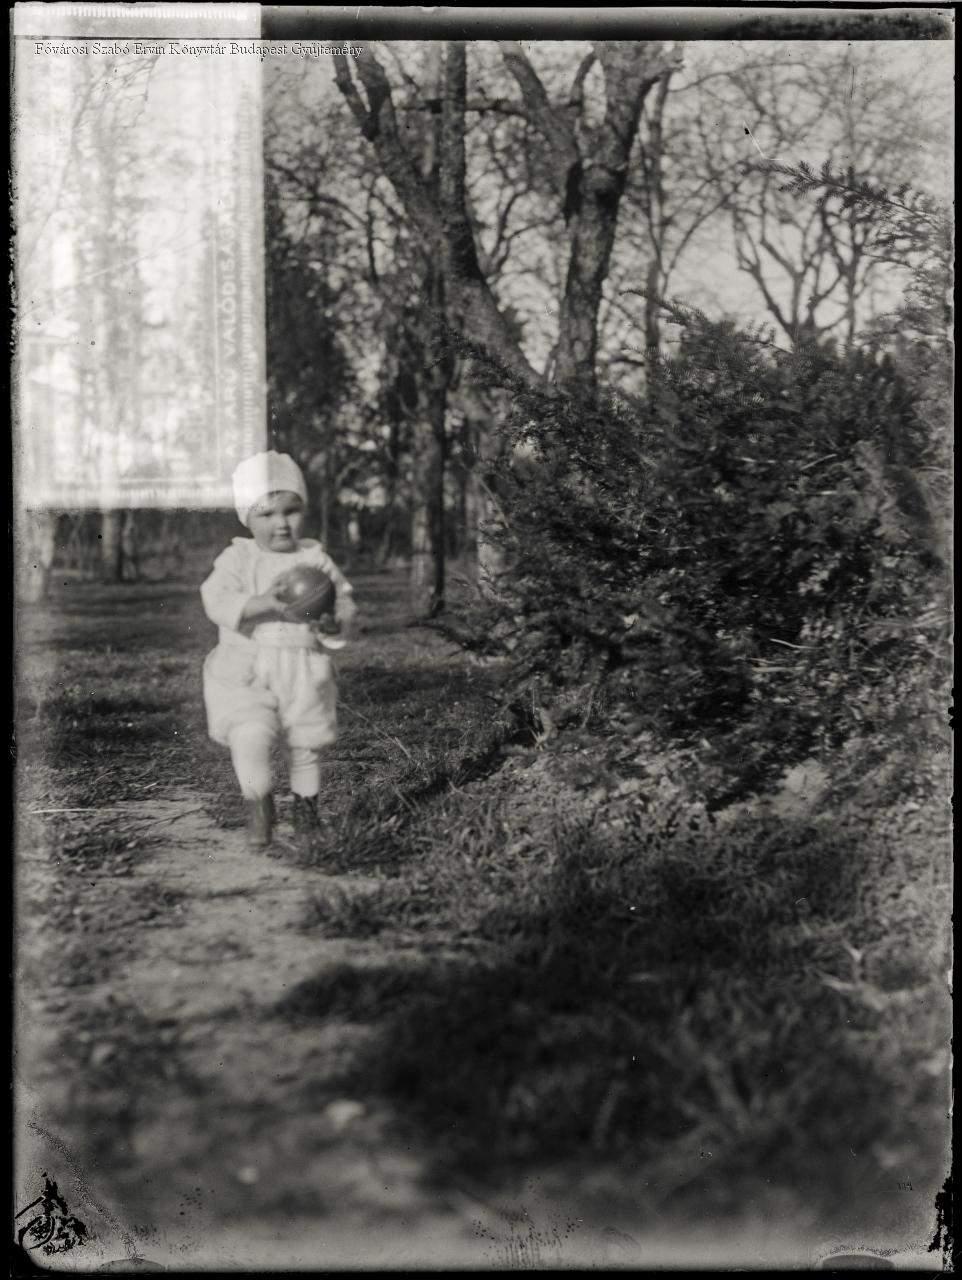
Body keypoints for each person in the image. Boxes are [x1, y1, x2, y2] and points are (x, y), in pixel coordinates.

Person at [200, 451, 357, 849]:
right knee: (249, 734)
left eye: (291, 511)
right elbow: (216, 599)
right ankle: (258, 805)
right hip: (247, 666)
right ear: (246, 518)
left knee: (305, 744)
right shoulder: (239, 557)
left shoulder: (315, 559)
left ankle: (307, 815)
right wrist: (262, 603)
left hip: (303, 667)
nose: (281, 523)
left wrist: (333, 621)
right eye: (266, 514)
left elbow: (343, 601)